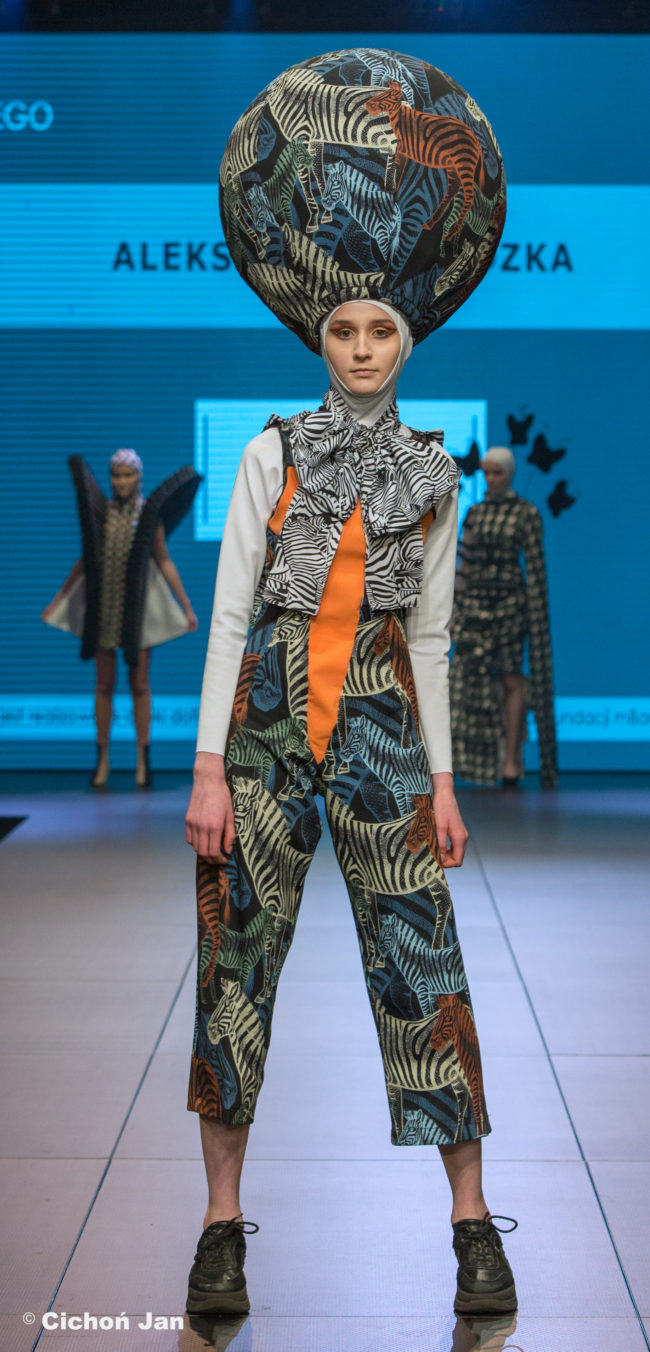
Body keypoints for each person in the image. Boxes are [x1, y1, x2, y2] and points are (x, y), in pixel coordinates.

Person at [184, 46, 516, 1322]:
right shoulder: (269, 456)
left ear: (406, 339)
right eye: (344, 328)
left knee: (424, 970)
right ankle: (221, 1228)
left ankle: (471, 1226)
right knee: (235, 975)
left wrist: (443, 781)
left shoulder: (433, 476)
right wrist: (208, 768)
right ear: (317, 334)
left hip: (381, 732)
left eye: (382, 328)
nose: (364, 345)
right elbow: (230, 619)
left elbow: (428, 638)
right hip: (264, 735)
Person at [42, 448, 200, 787]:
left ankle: (144, 758)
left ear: (138, 478)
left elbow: (164, 560)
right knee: (103, 685)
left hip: (137, 612)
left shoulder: (147, 516)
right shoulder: (104, 514)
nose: (122, 481)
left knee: (139, 684)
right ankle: (103, 759)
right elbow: (85, 561)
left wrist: (186, 605)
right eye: (116, 475)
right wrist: (59, 599)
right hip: (104, 608)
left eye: (128, 475)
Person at [450, 446, 557, 789]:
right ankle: (469, 762)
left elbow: (535, 567)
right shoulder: (476, 513)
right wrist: (455, 608)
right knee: (466, 680)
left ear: (509, 473)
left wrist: (535, 615)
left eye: (497, 473)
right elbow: (464, 562)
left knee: (511, 680)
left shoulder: (526, 513)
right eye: (487, 473)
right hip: (475, 605)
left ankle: (510, 761)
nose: (491, 479)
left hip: (510, 607)